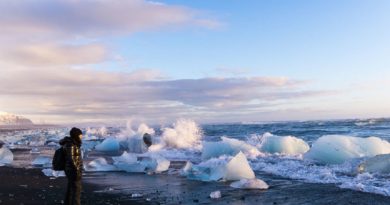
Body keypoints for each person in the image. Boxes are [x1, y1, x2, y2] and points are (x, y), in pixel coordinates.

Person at [59, 127, 83, 205]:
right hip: (73, 171)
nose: (81, 137)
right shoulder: (71, 145)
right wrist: (78, 170)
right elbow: (72, 159)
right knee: (76, 191)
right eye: (80, 135)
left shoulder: (70, 143)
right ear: (76, 135)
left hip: (70, 170)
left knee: (71, 189)